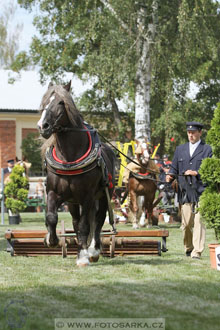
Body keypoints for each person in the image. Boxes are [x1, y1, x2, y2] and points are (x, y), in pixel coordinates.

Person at [166, 121, 212, 259]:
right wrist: (170, 174)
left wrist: (196, 173)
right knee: (185, 225)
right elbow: (174, 167)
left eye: (193, 133)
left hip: (200, 191)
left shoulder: (207, 149)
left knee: (199, 222)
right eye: (189, 133)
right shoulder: (180, 149)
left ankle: (197, 251)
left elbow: (209, 170)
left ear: (200, 133)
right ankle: (189, 247)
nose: (190, 135)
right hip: (185, 192)